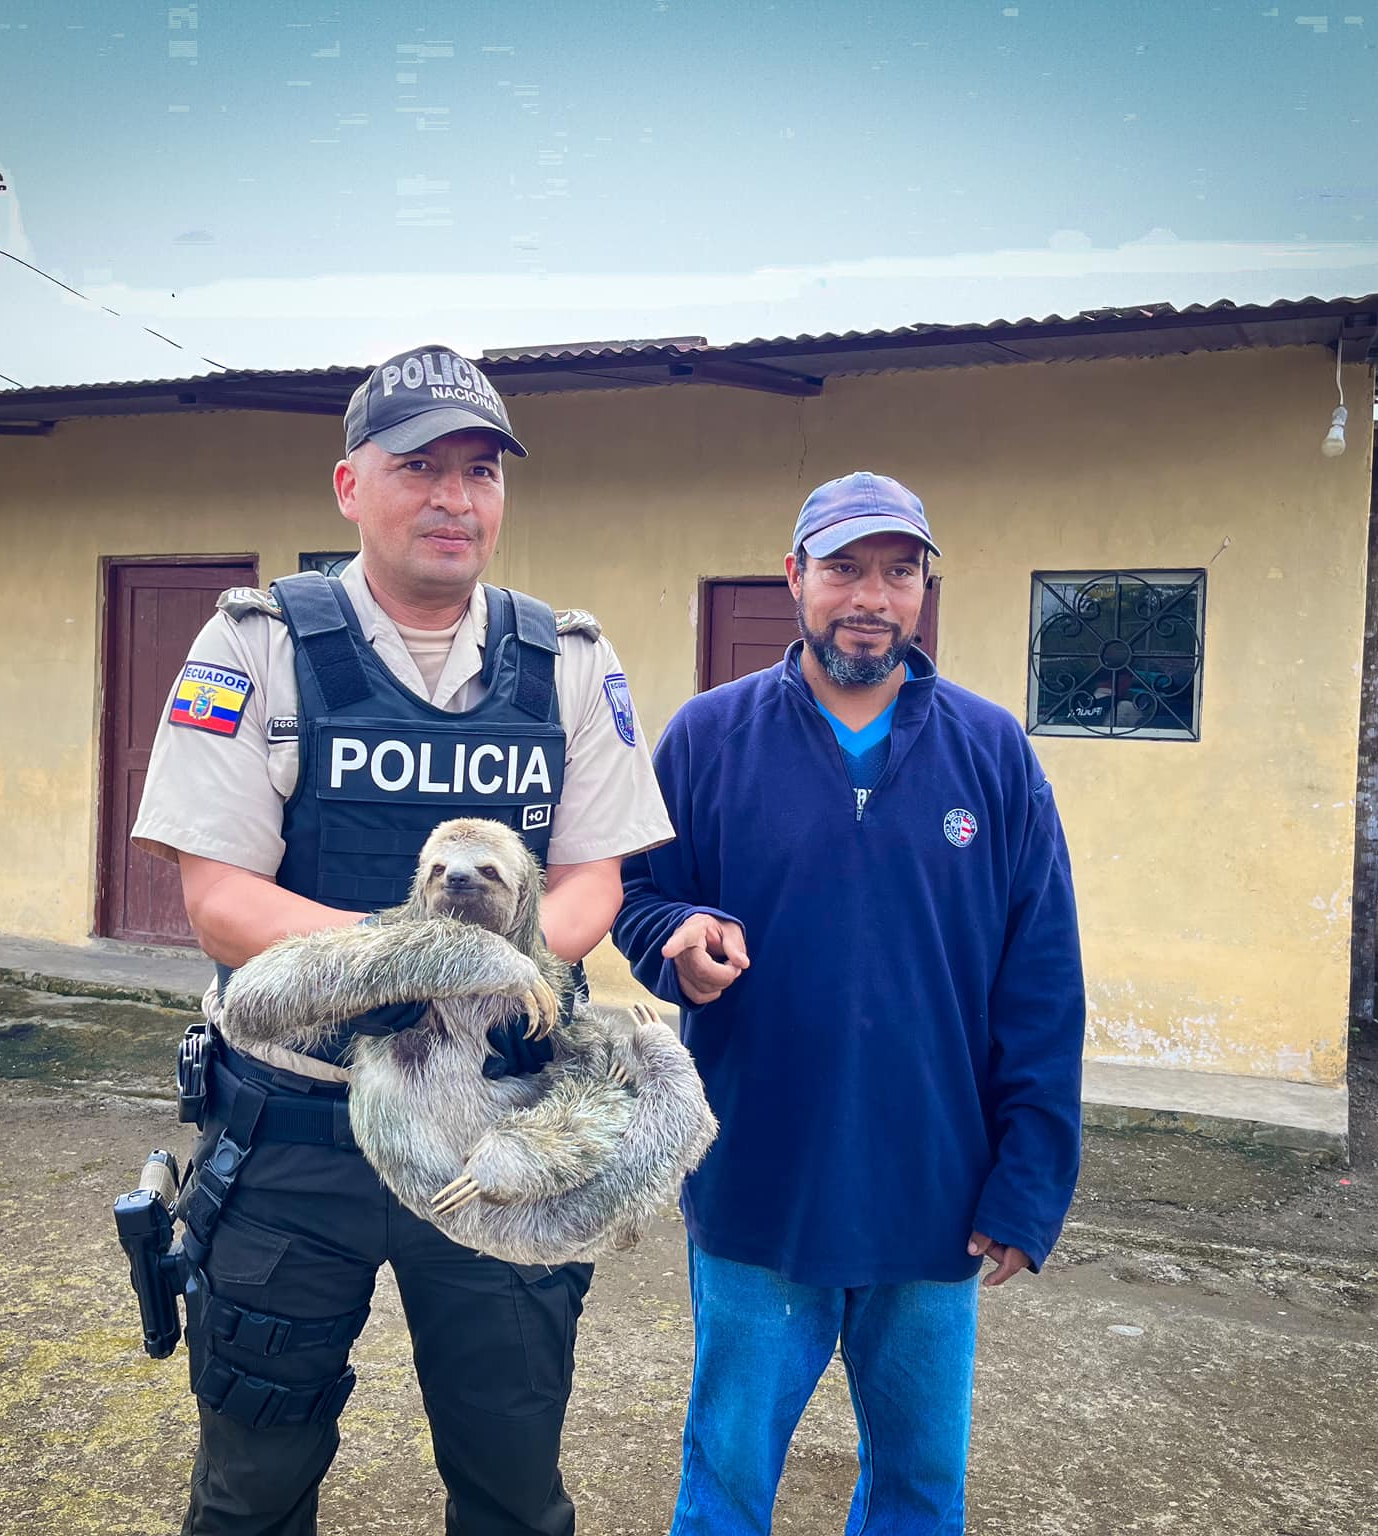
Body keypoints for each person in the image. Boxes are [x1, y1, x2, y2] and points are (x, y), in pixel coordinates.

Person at [131, 344, 673, 1536]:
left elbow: (592, 880)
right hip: (294, 1133)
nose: (452, 498)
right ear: (348, 486)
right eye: (417, 467)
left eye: (479, 471)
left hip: (497, 1130)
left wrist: (507, 971)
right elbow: (218, 898)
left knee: (512, 1488)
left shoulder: (567, 662)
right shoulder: (255, 646)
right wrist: (428, 963)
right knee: (251, 1492)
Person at [613, 471, 1086, 1536]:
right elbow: (634, 893)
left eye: (898, 571)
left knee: (920, 1490)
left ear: (923, 588)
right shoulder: (707, 738)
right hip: (755, 1182)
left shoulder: (992, 752)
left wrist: (1029, 1179)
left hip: (936, 1194)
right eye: (843, 569)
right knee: (725, 1486)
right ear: (794, 577)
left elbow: (1043, 982)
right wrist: (673, 938)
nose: (870, 597)